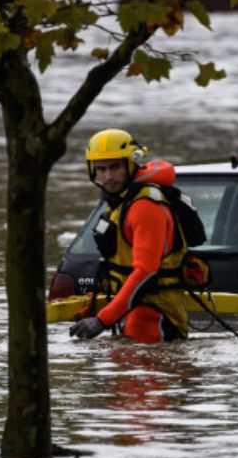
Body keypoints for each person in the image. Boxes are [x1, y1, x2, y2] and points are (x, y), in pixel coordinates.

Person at [70, 128, 191, 344]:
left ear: (132, 163)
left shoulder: (145, 206)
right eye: (101, 169)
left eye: (115, 167)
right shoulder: (120, 201)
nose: (108, 176)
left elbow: (146, 272)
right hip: (133, 311)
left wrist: (102, 320)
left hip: (153, 317)